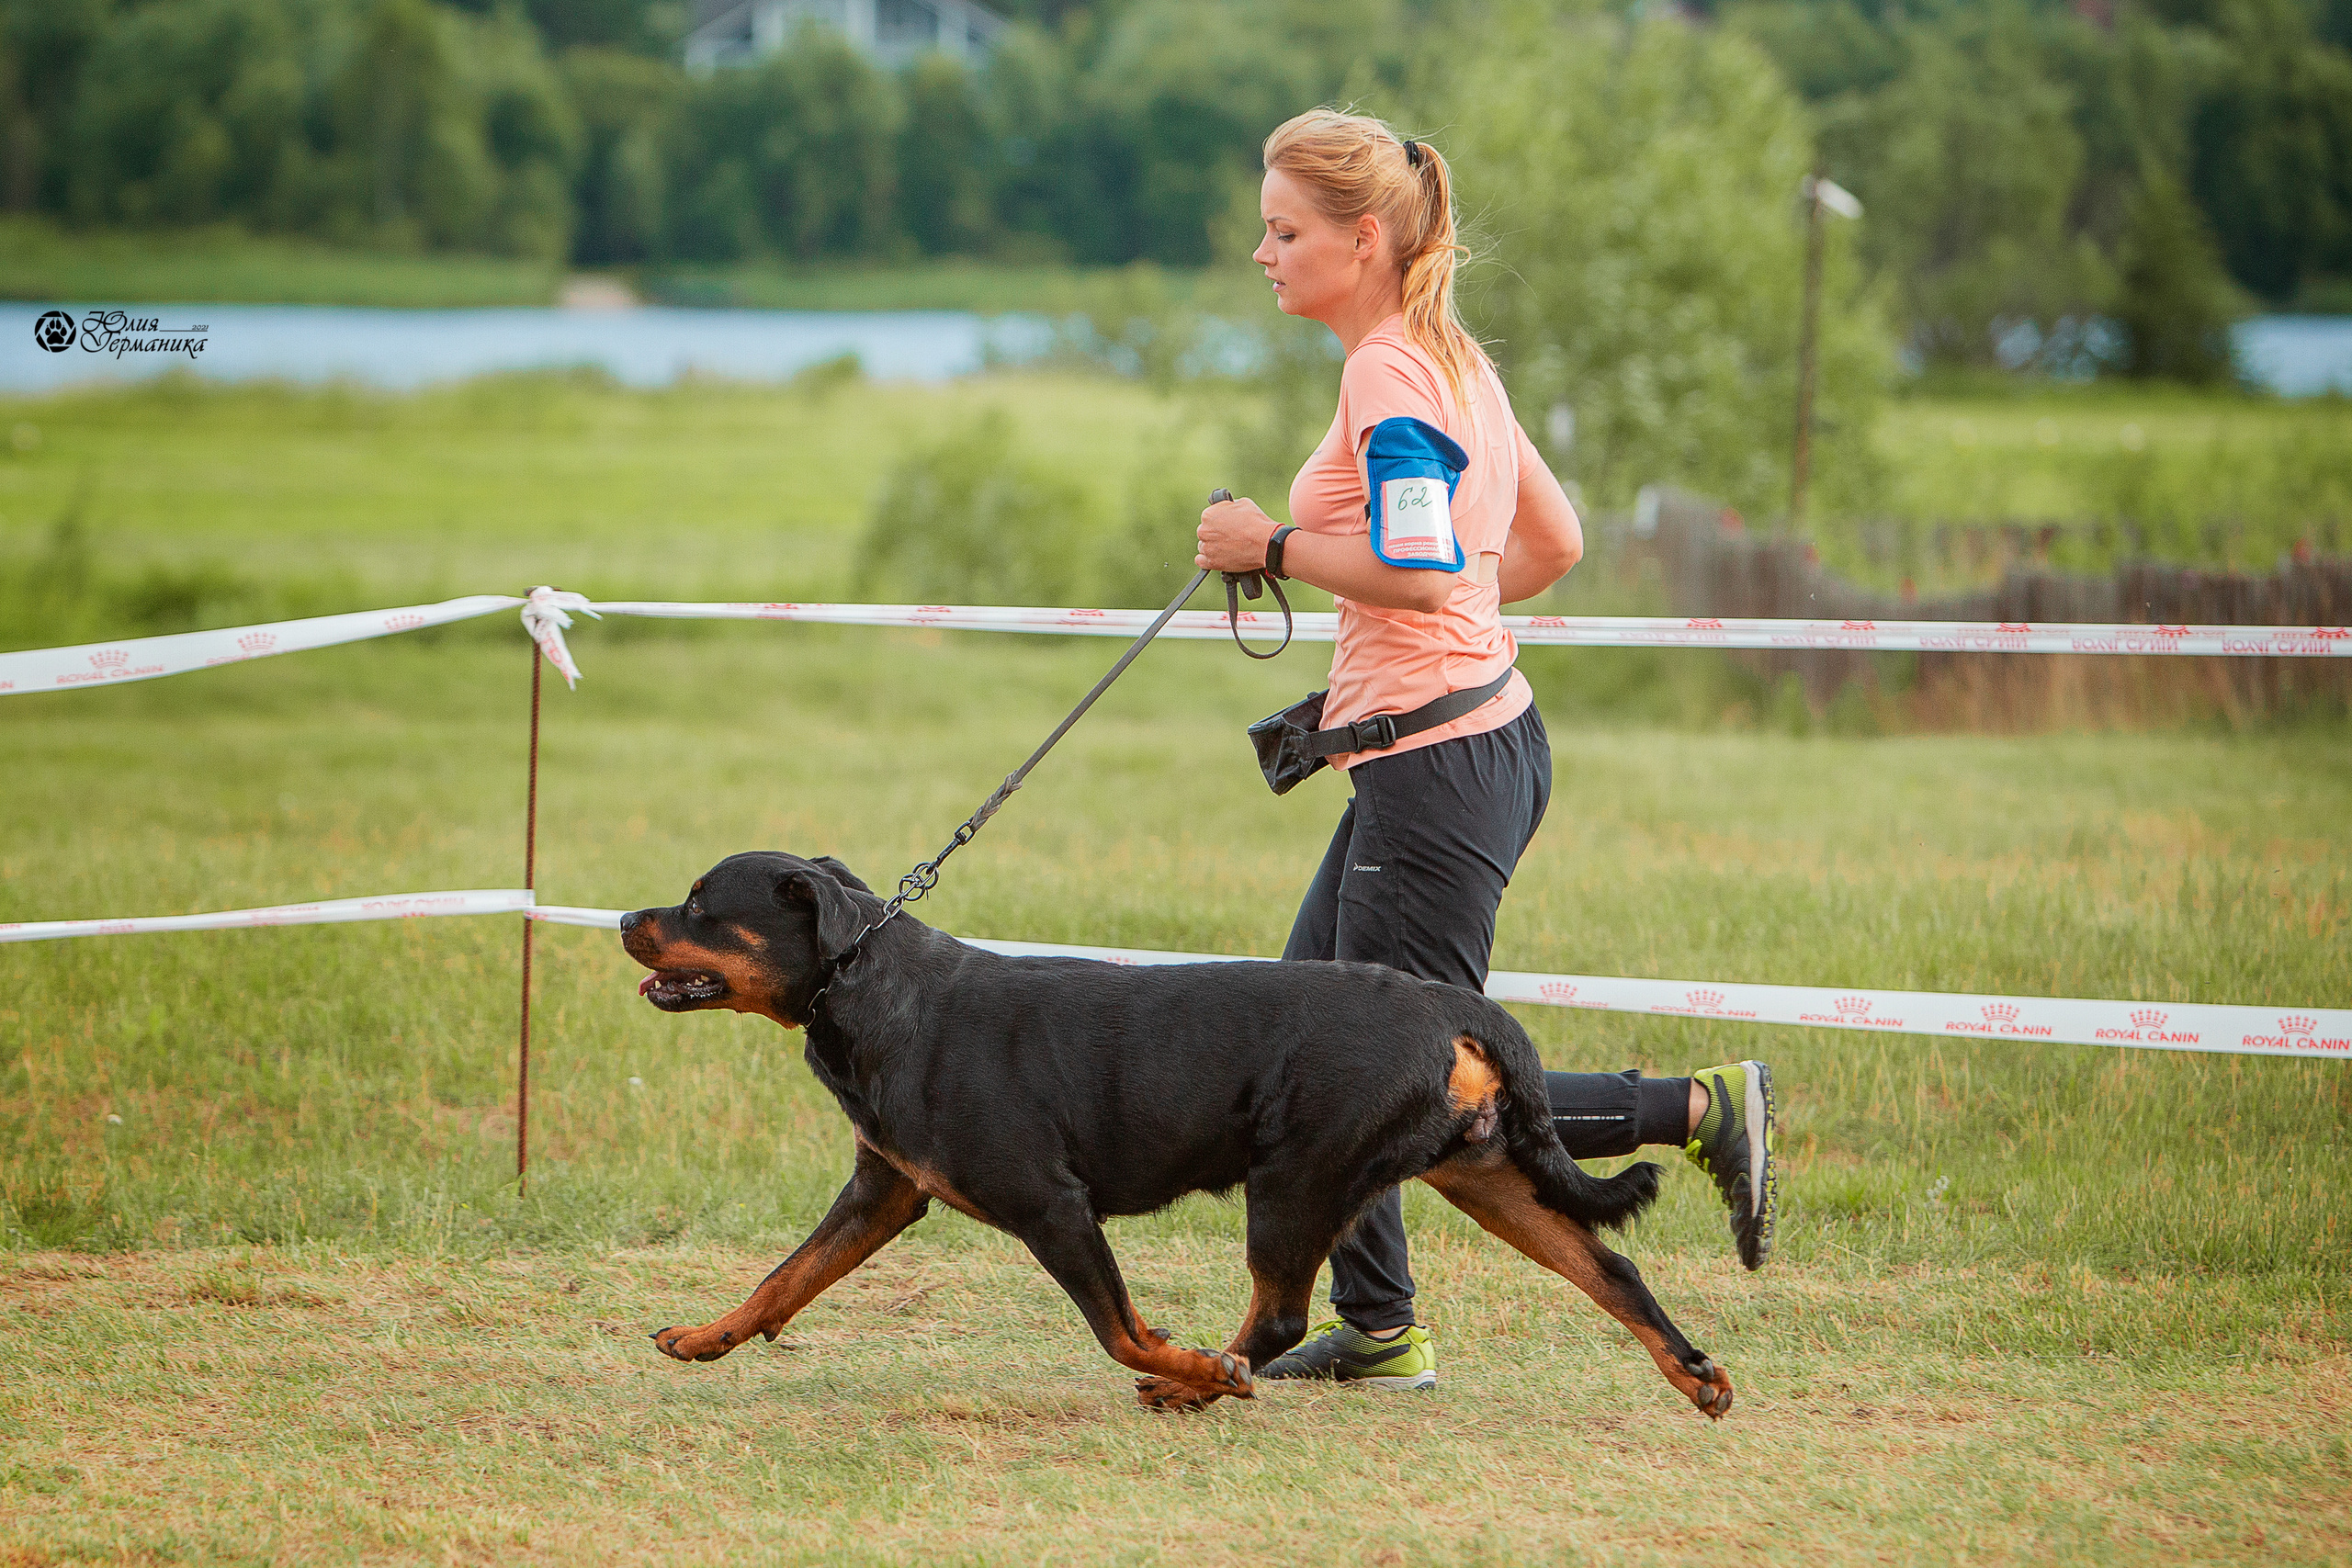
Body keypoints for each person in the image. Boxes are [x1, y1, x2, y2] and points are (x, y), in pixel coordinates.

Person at [1192, 109, 1777, 1391]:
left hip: (1438, 769)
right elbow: (1551, 544)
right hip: (1458, 746)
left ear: (1362, 239)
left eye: (1283, 232)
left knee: (1412, 1082)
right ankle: (1379, 1326)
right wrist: (1443, 614)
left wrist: (1270, 546)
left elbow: (1420, 567)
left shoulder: (1389, 373)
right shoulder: (1454, 359)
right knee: (1307, 1042)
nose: (1263, 254)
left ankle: (1696, 1108)